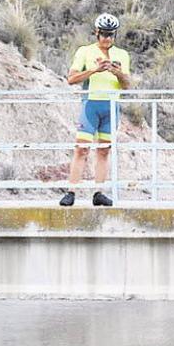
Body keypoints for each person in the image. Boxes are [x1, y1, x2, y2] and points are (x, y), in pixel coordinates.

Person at [61, 13, 133, 207]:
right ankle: (71, 191)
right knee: (81, 148)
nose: (107, 39)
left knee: (104, 151)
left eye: (111, 35)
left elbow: (127, 85)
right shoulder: (85, 51)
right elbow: (71, 79)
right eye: (103, 34)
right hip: (91, 104)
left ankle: (98, 191)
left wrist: (116, 71)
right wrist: (95, 70)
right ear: (96, 33)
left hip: (111, 106)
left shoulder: (122, 54)